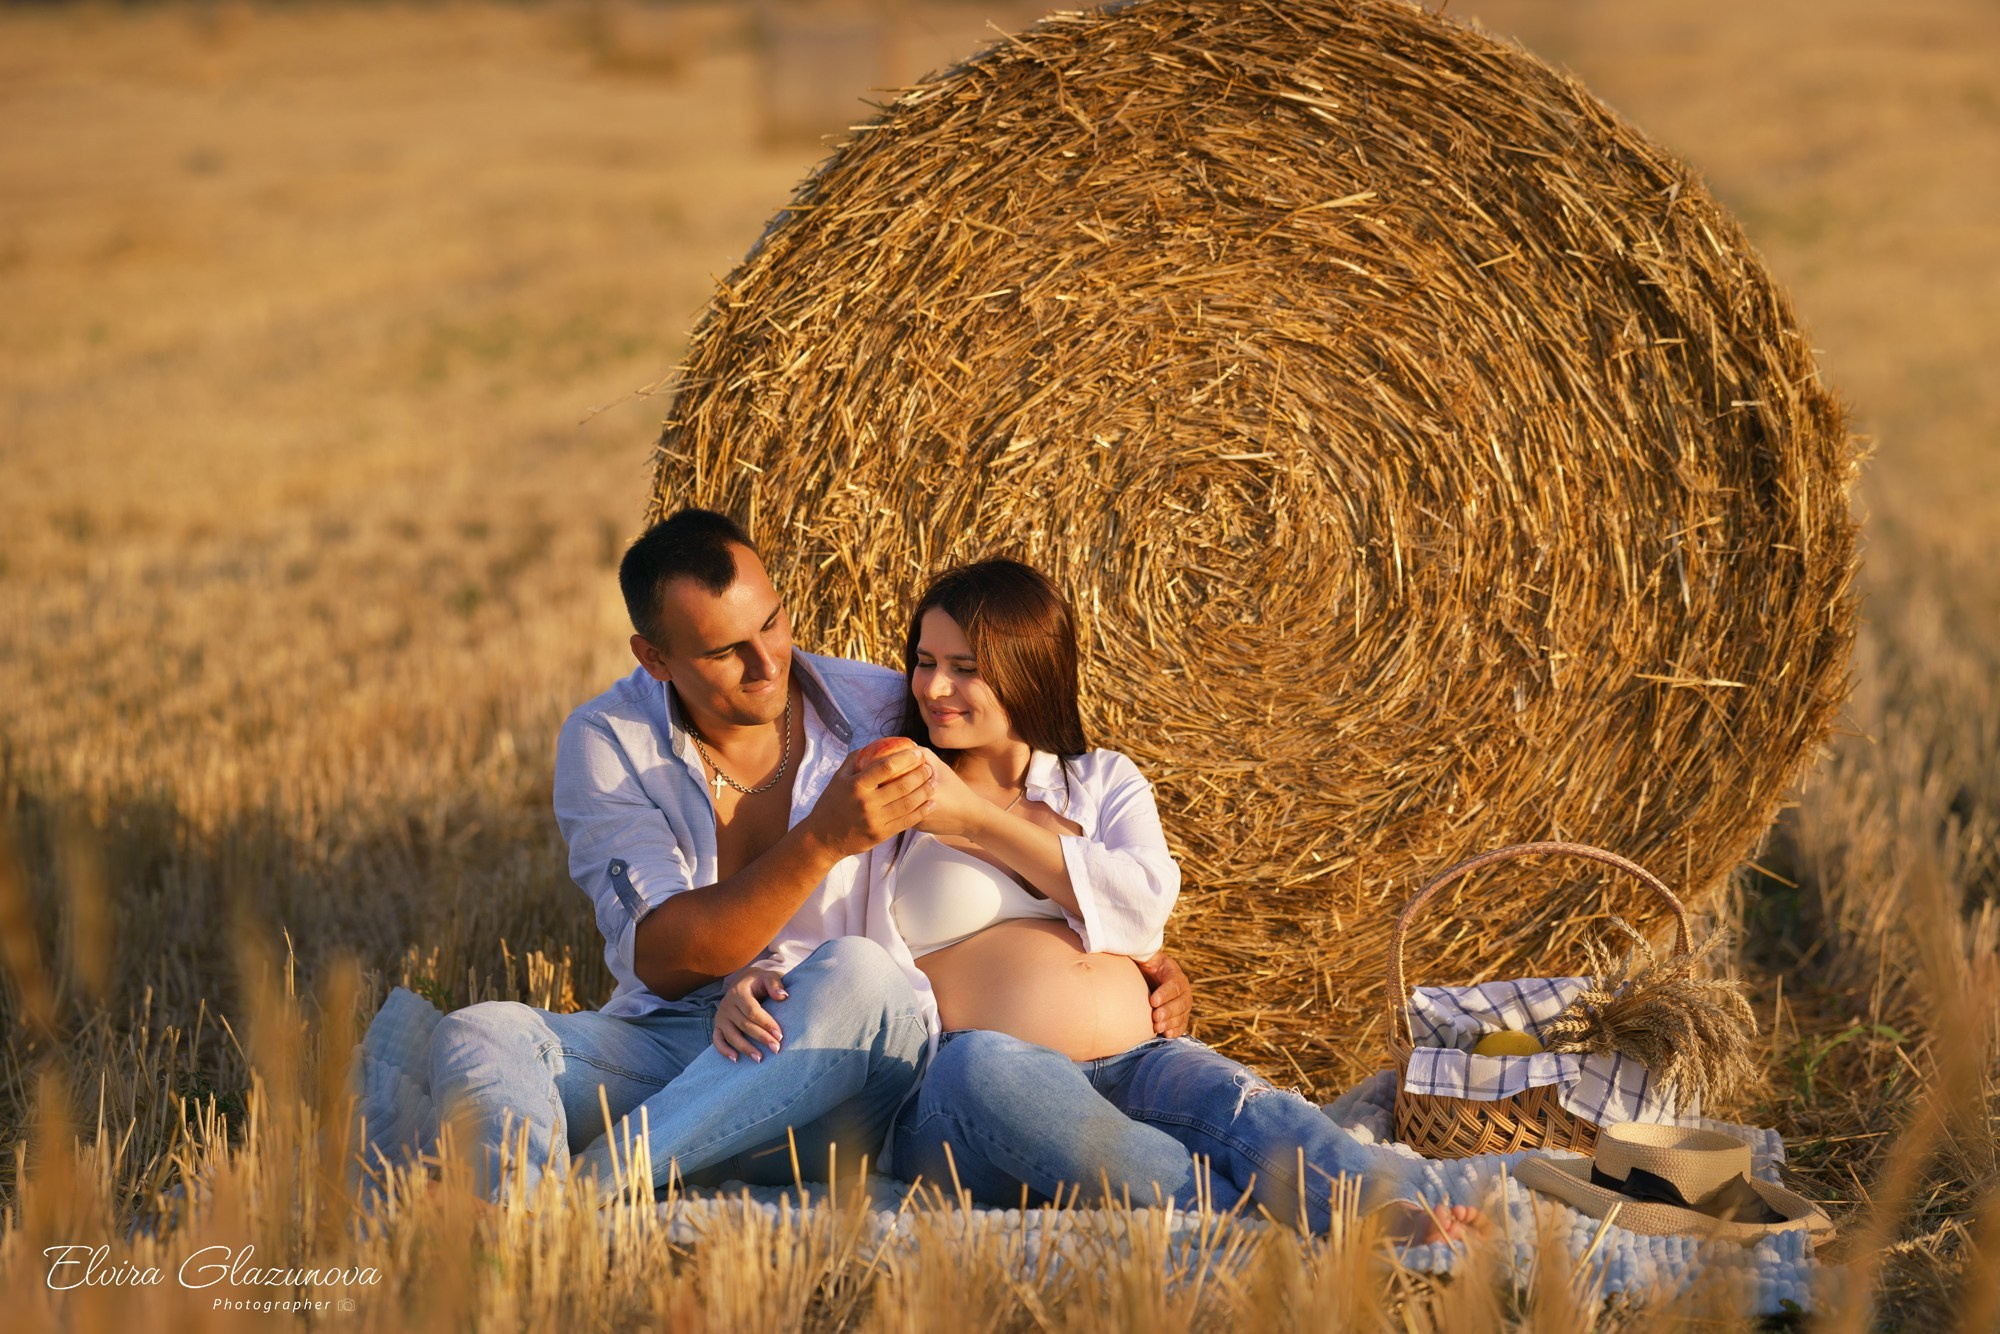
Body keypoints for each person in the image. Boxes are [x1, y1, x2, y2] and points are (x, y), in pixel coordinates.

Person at [421, 510, 1191, 1201]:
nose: (768, 664)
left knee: (859, 971)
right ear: (654, 659)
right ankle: (508, 1212)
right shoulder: (607, 743)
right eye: (727, 652)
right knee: (479, 1035)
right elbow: (660, 956)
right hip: (687, 1041)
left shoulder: (885, 705)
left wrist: (1127, 950)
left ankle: (600, 1184)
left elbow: (1009, 800)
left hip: (841, 1051)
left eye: (775, 623)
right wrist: (822, 840)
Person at [712, 558, 1476, 1241]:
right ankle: (1236, 1216)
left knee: (1232, 1096)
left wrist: (976, 820)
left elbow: (1143, 912)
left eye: (964, 667)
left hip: (1136, 1058)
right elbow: (818, 937)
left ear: (1028, 669)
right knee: (989, 1066)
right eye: (924, 662)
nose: (934, 688)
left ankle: (1376, 1209)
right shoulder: (888, 788)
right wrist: (752, 977)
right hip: (963, 1092)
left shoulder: (1103, 780)